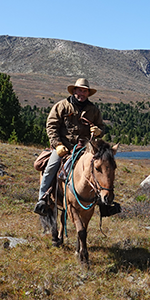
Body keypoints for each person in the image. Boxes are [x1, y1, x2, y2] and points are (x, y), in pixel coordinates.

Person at [34, 78, 104, 215]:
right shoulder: (62, 106)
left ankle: (104, 202)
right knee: (51, 168)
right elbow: (51, 126)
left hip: (85, 148)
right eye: (79, 90)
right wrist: (57, 145)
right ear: (74, 91)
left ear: (88, 93)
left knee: (103, 168)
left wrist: (99, 131)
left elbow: (101, 127)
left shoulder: (94, 110)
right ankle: (42, 199)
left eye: (85, 91)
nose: (82, 93)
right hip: (63, 147)